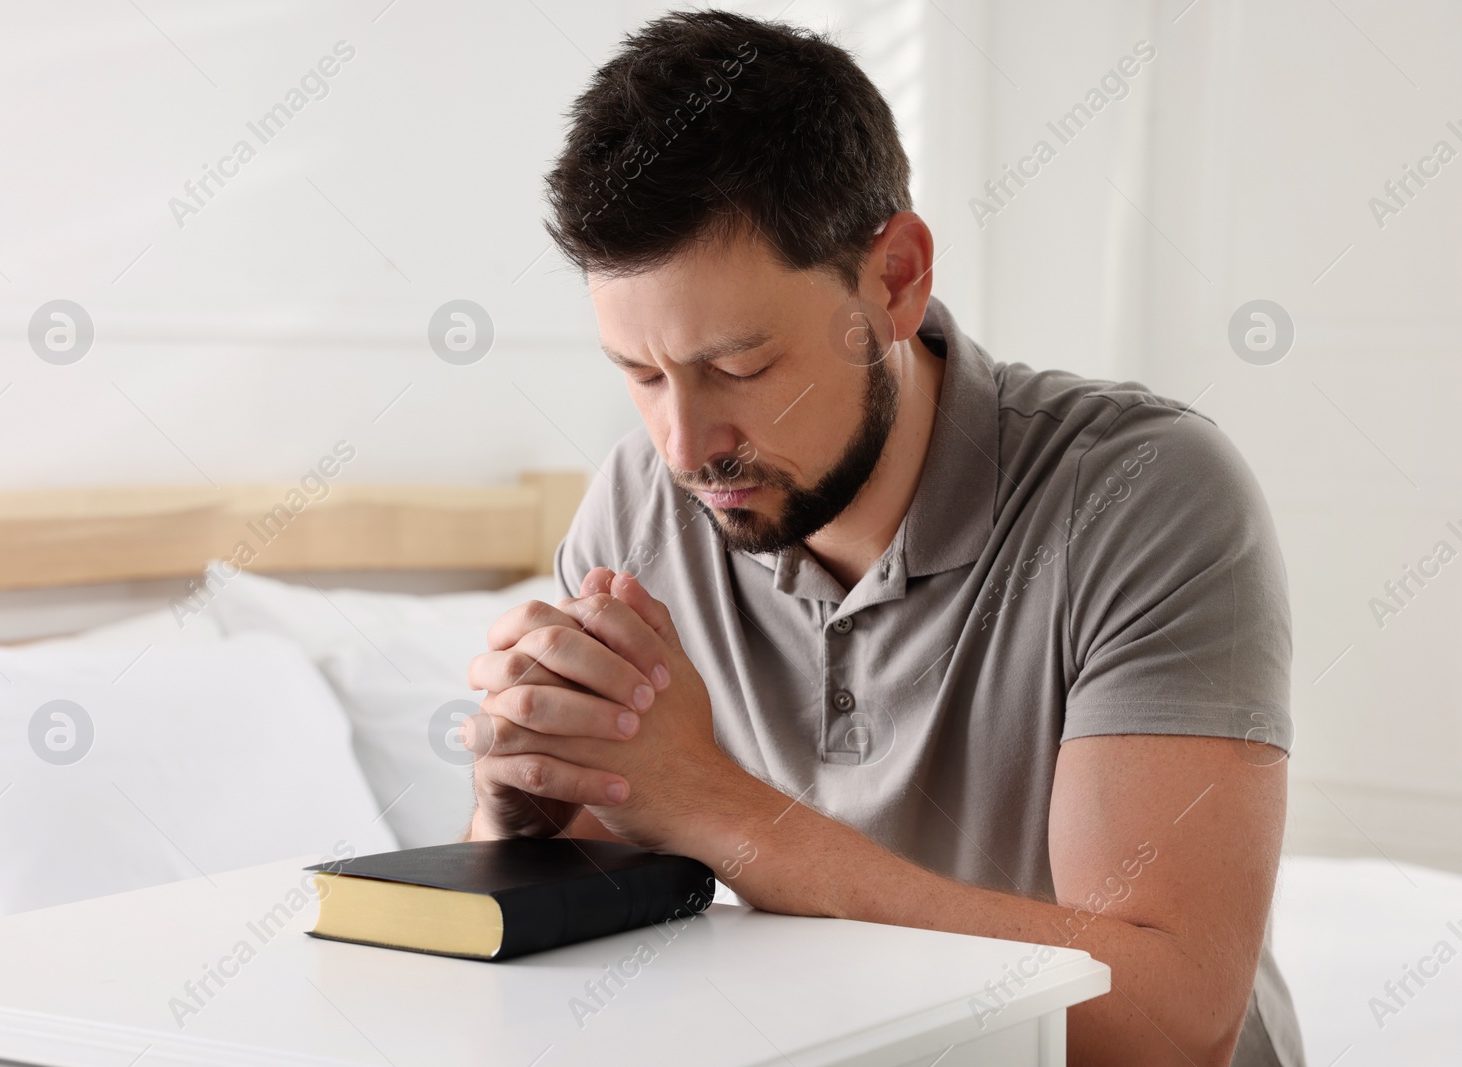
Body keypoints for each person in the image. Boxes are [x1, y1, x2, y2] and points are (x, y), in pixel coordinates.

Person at [463, 10, 1301, 1065]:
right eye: (638, 375)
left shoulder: (1144, 494)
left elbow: (1172, 1022)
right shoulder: (636, 510)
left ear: (896, 279)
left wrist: (718, 808)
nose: (684, 444)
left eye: (738, 365)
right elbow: (558, 983)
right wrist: (515, 817)